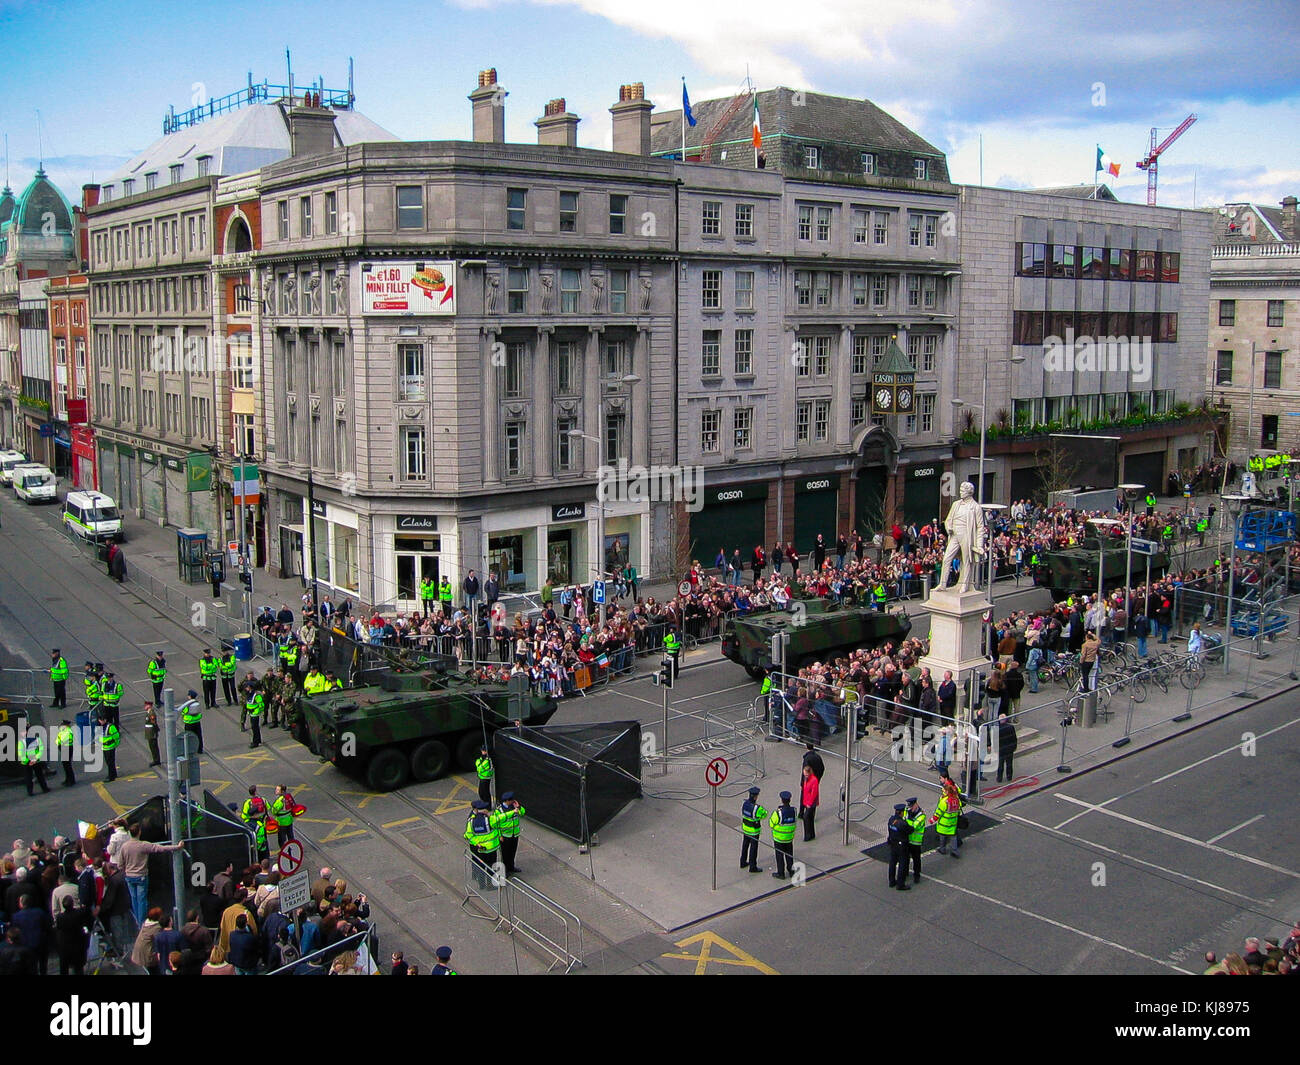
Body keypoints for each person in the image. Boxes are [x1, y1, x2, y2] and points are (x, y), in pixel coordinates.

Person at [119, 822, 183, 928]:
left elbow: (120, 864)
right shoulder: (143, 845)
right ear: (139, 832)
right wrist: (177, 847)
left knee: (134, 900)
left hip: (129, 877)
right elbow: (160, 848)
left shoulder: (124, 847)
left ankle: (137, 922)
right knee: (142, 900)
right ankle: (141, 924)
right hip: (141, 876)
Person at [937, 482, 987, 591]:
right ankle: (943, 584)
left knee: (966, 560)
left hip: (966, 535)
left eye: (962, 491)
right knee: (946, 559)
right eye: (960, 490)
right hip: (954, 534)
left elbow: (980, 527)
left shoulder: (976, 507)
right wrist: (949, 526)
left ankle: (965, 584)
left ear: (969, 492)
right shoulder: (956, 504)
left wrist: (979, 545)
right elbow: (948, 519)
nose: (960, 492)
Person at [464, 801, 502, 889]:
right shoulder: (490, 820)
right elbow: (501, 818)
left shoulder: (471, 821)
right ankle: (490, 884)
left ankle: (481, 885)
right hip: (491, 850)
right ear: (484, 811)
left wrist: (476, 843)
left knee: (480, 866)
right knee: (491, 867)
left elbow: (467, 835)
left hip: (480, 850)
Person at [54, 896, 91, 976]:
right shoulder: (79, 913)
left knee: (64, 968)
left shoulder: (60, 917)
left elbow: (58, 928)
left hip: (65, 946)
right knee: (78, 968)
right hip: (77, 944)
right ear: (72, 904)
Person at [494, 792, 525, 877]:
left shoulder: (514, 807)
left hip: (514, 834)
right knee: (505, 854)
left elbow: (522, 813)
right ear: (507, 801)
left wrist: (518, 807)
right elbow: (496, 824)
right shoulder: (499, 810)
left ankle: (511, 867)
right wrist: (500, 835)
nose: (513, 801)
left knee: (512, 852)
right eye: (511, 800)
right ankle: (505, 870)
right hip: (505, 836)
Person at [932, 776, 964, 857]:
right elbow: (959, 809)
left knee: (942, 837)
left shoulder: (944, 801)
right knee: (953, 837)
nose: (942, 791)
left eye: (944, 790)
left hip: (944, 823)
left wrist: (932, 820)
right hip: (953, 822)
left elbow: (938, 812)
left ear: (947, 791)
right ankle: (954, 851)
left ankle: (942, 849)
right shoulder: (956, 800)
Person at [769, 791, 797, 880]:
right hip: (789, 838)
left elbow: (771, 824)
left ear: (782, 800)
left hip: (779, 839)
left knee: (779, 856)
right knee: (789, 854)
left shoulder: (778, 813)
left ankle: (781, 873)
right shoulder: (794, 810)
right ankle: (791, 871)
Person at [739, 787, 767, 874]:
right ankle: (752, 866)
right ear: (755, 797)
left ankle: (743, 862)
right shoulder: (757, 808)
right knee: (753, 848)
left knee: (745, 845)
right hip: (754, 831)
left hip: (745, 829)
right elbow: (764, 814)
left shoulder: (745, 804)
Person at [19, 726, 50, 796]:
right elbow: (41, 750)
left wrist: (26, 761)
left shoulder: (21, 741)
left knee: (28, 777)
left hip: (26, 762)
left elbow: (21, 753)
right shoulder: (36, 739)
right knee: (40, 775)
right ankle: (45, 788)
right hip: (36, 761)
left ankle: (30, 792)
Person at [887, 804, 911, 890]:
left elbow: (889, 830)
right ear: (901, 812)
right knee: (902, 864)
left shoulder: (891, 819)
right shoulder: (902, 823)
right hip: (901, 846)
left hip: (893, 843)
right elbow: (910, 830)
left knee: (892, 862)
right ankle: (900, 884)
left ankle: (892, 881)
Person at [903, 797, 926, 885]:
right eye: (909, 807)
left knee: (916, 860)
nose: (910, 809)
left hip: (916, 842)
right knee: (905, 858)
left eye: (912, 807)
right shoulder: (907, 810)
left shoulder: (921, 815)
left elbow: (913, 827)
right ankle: (905, 872)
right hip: (907, 840)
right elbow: (904, 819)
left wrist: (906, 822)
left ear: (916, 805)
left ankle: (917, 875)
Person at [271, 785, 300, 850]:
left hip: (281, 822)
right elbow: (294, 805)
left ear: (282, 791)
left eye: (278, 790)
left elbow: (274, 811)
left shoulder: (280, 800)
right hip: (289, 820)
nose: (276, 791)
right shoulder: (288, 796)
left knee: (282, 839)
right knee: (290, 836)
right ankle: (293, 849)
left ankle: (283, 851)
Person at [800, 763, 820, 841]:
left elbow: (814, 793)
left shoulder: (814, 780)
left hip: (811, 803)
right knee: (810, 818)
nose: (805, 776)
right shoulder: (807, 779)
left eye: (806, 775)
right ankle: (811, 834)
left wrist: (809, 803)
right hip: (807, 801)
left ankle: (808, 835)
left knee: (806, 817)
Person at [996, 714, 1018, 783]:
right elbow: (1014, 738)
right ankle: (1009, 776)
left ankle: (999, 778)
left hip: (1001, 749)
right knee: (1009, 763)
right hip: (1009, 748)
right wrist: (1014, 747)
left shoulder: (997, 729)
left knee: (1000, 764)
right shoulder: (1011, 727)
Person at [98, 711, 120, 782]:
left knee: (110, 762)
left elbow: (116, 736)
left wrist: (115, 744)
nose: (100, 721)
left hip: (110, 747)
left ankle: (111, 776)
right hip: (104, 747)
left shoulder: (110, 727)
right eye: (100, 720)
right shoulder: (101, 727)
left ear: (105, 720)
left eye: (102, 720)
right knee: (109, 762)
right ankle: (114, 774)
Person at [181, 688, 203, 754]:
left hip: (189, 723)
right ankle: (200, 749)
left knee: (189, 737)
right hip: (197, 722)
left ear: (190, 696)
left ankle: (190, 750)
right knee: (199, 736)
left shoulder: (188, 704)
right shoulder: (197, 703)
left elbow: (183, 711)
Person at [55, 719, 76, 787]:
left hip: (66, 749)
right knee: (66, 765)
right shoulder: (63, 730)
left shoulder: (67, 731)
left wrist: (60, 745)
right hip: (64, 748)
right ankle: (68, 779)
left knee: (67, 766)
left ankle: (71, 780)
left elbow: (64, 740)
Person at [245, 684, 265, 749]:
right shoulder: (249, 694)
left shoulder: (256, 695)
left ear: (250, 687)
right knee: (255, 727)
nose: (246, 689)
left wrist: (257, 711)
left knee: (254, 728)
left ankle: (255, 742)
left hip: (255, 714)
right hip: (251, 713)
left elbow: (261, 704)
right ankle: (258, 740)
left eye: (247, 687)